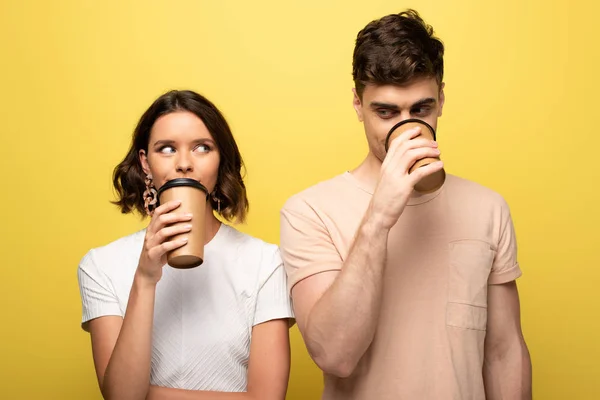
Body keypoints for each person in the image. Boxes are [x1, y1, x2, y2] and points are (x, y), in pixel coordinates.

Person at [279, 10, 532, 400]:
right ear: (358, 104)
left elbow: (503, 352)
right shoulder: (308, 212)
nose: (407, 126)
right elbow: (335, 355)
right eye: (386, 112)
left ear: (441, 100)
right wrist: (380, 215)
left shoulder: (488, 208)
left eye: (421, 109)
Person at [77, 89, 293, 400]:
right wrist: (145, 278)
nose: (184, 164)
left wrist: (148, 395)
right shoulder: (101, 265)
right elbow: (121, 397)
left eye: (202, 148)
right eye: (166, 149)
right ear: (146, 163)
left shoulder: (265, 262)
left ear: (220, 161)